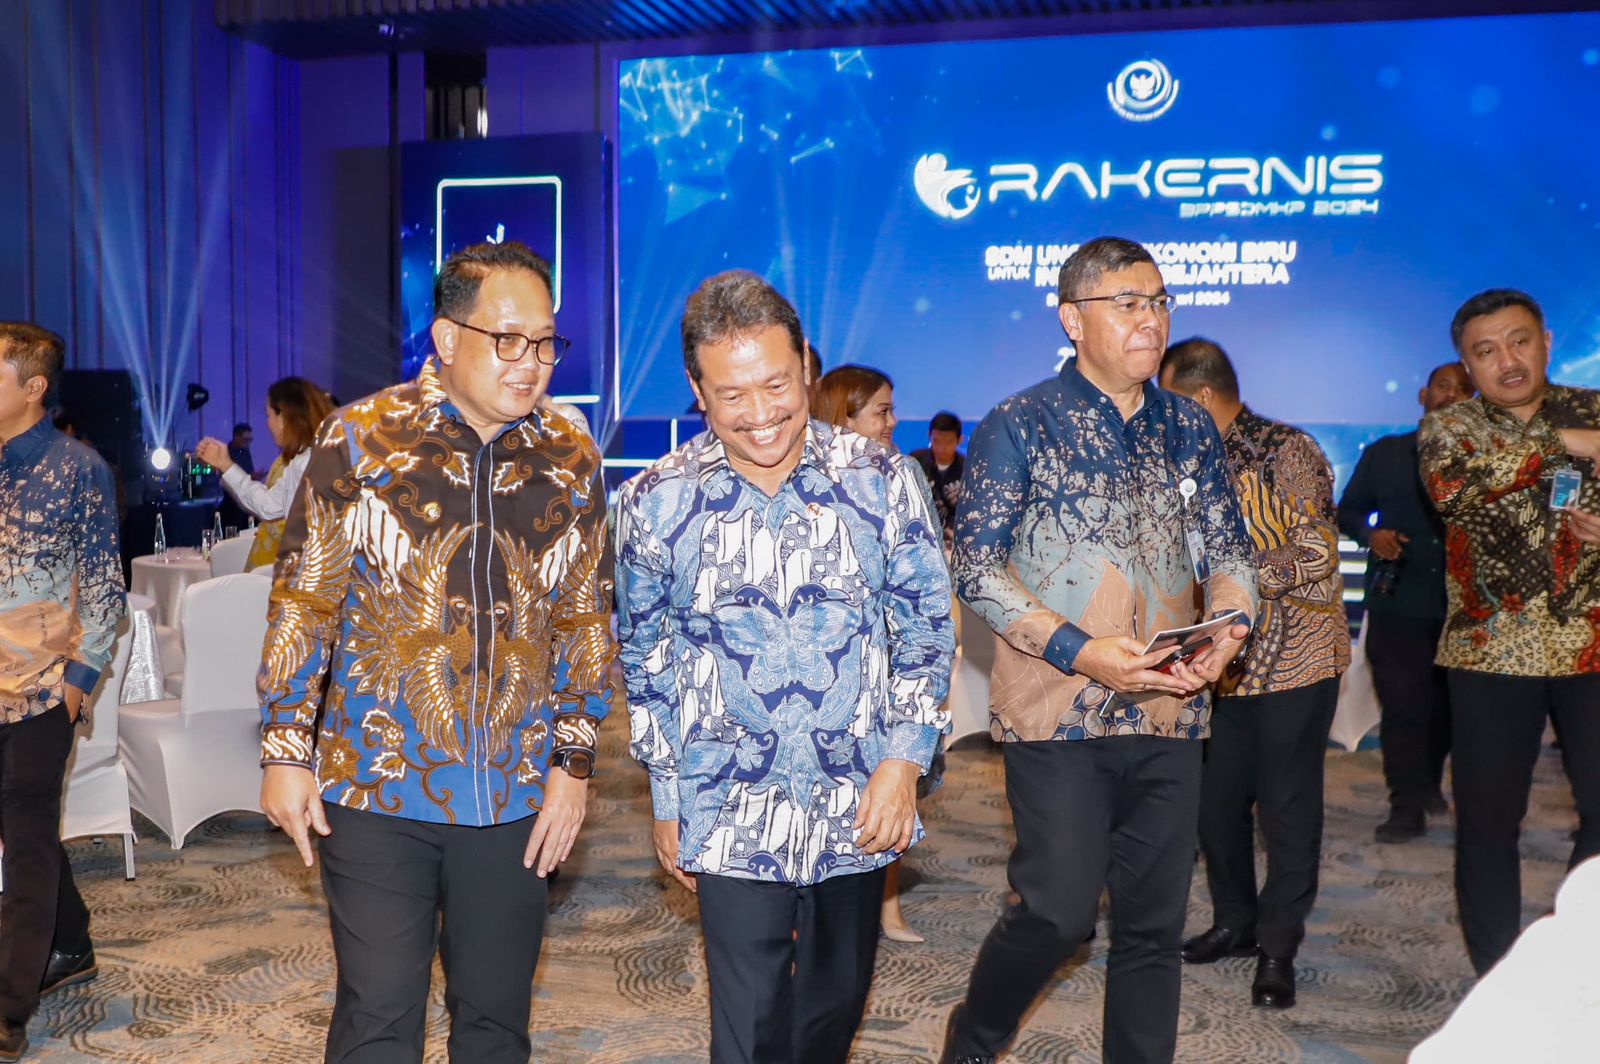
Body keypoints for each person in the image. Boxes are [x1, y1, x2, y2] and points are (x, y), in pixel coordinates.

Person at [256, 241, 615, 1062]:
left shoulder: (570, 456)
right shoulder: (361, 437)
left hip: (518, 795)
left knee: (494, 1021)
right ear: (448, 337)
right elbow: (306, 599)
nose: (531, 364)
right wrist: (284, 748)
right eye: (508, 339)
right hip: (378, 783)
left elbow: (585, 621)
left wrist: (574, 764)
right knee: (379, 1016)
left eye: (547, 342)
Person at [616, 270, 954, 1064]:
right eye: (732, 395)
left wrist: (904, 763)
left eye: (776, 383)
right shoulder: (653, 503)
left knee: (831, 1010)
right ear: (698, 391)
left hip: (859, 794)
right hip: (727, 800)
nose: (761, 413)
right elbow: (648, 658)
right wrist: (668, 796)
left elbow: (927, 630)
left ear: (806, 364)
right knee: (751, 1020)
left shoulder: (881, 482)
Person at [940, 239, 1257, 1064]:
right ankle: (976, 1036)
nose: (1149, 319)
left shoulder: (1188, 426)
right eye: (1127, 302)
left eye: (1158, 301)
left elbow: (1228, 551)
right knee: (1059, 909)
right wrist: (1082, 651)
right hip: (1059, 705)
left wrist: (1229, 628)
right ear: (1072, 318)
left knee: (1152, 929)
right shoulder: (1021, 423)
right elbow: (975, 567)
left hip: (1171, 701)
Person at [1158, 337, 1348, 1010]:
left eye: (1169, 400)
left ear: (1200, 397)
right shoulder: (1187, 457)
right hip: (1221, 666)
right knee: (1217, 806)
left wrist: (1236, 580)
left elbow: (1317, 550)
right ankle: (1236, 923)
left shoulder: (1284, 450)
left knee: (1288, 809)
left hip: (1294, 660)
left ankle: (1277, 945)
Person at [1418, 288, 1600, 976]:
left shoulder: (1596, 407)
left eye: (1519, 341)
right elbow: (1456, 489)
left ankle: (1579, 947)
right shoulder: (1451, 427)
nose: (1508, 361)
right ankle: (1496, 976)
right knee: (1489, 824)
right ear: (1466, 365)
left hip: (1593, 642)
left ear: (1547, 340)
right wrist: (1568, 443)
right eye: (1485, 351)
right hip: (1493, 649)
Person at [0, 323, 126, 1063]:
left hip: (41, 688)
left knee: (26, 828)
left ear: (32, 386)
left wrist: (77, 686)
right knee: (29, 826)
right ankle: (70, 941)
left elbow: (106, 591)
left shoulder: (79, 468)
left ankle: (11, 1004)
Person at [812, 363, 941, 945]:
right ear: (844, 416)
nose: (894, 421)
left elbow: (925, 577)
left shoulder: (903, 474)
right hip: (838, 671)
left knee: (893, 784)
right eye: (881, 411)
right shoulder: (810, 479)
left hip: (899, 664)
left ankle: (884, 909)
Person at [1338, 363, 1474, 842]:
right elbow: (1348, 510)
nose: (1451, 395)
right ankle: (1405, 806)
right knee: (1403, 709)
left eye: (1462, 389)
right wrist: (1371, 535)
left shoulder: (1484, 460)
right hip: (1397, 604)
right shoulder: (1387, 454)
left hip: (1465, 607)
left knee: (1448, 710)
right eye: (1443, 386)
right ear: (1423, 394)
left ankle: (1429, 783)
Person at [196, 378, 333, 569]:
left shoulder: (308, 462)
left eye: (268, 415)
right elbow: (268, 506)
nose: (268, 424)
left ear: (283, 418)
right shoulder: (312, 456)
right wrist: (225, 463)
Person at [911, 411, 965, 534]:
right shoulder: (915, 462)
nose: (942, 447)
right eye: (937, 441)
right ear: (929, 436)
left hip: (955, 536)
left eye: (948, 442)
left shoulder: (968, 470)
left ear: (960, 440)